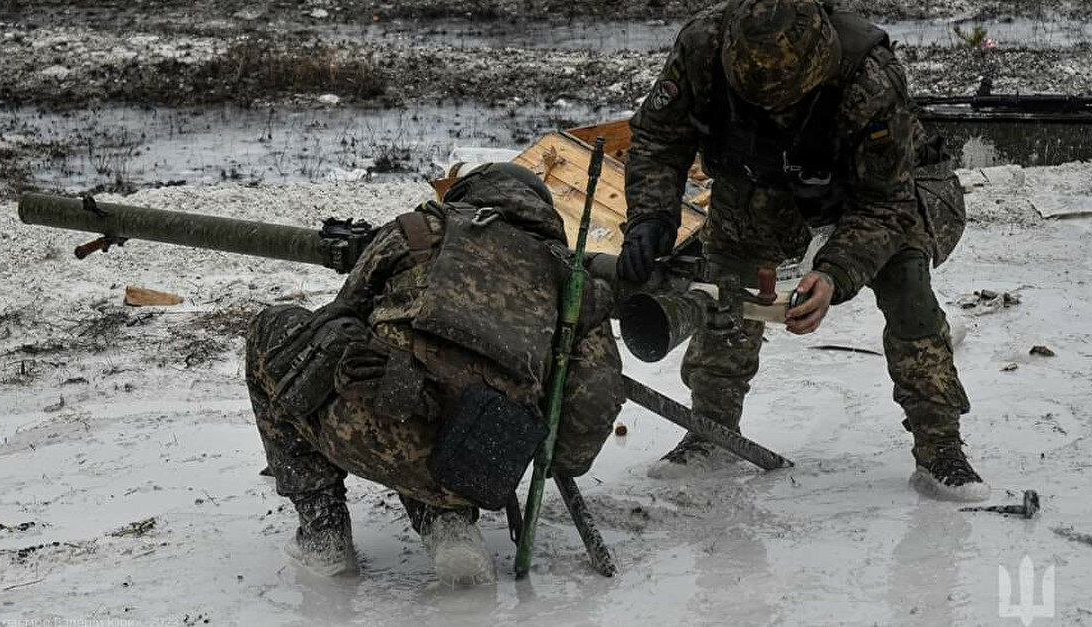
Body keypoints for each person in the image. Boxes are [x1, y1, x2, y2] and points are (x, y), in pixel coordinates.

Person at [619, 0, 988, 501]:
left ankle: (940, 447)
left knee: (907, 288)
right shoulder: (702, 46)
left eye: (786, 105)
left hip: (877, 190)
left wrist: (835, 273)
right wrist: (651, 216)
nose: (774, 114)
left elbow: (886, 201)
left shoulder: (869, 78)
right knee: (726, 283)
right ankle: (712, 433)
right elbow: (659, 139)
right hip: (759, 184)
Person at [246, 163, 625, 584]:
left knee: (276, 328)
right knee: (460, 396)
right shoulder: (576, 286)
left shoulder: (416, 229)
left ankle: (324, 534)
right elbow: (595, 400)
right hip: (479, 467)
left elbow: (340, 319)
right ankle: (450, 526)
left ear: (466, 193)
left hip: (367, 428)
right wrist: (548, 457)